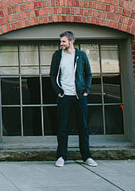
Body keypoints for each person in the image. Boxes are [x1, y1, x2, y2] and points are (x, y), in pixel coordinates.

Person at [49, 30, 97, 168]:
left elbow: (88, 73)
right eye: (61, 41)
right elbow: (52, 74)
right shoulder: (58, 55)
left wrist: (86, 90)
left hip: (79, 97)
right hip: (64, 97)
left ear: (71, 41)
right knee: (63, 128)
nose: (61, 44)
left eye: (63, 41)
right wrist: (58, 91)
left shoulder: (81, 55)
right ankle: (61, 156)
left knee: (83, 127)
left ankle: (86, 156)